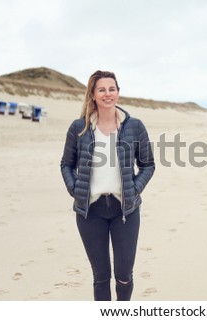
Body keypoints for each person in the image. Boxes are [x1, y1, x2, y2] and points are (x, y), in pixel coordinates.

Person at [60, 70, 155, 301]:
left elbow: (148, 164)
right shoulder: (79, 128)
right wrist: (75, 189)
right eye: (101, 89)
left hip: (126, 210)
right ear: (93, 95)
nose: (107, 94)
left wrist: (134, 188)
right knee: (101, 277)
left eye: (112, 89)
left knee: (124, 276)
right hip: (90, 212)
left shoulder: (134, 126)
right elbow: (66, 164)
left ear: (118, 93)